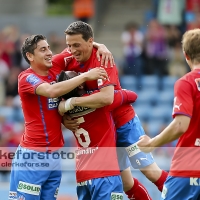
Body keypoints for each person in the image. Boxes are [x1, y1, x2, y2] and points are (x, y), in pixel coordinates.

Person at [52, 21, 168, 200]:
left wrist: (70, 104)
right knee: (127, 184)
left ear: (90, 42)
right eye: (69, 46)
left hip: (124, 123)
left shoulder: (103, 58)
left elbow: (107, 98)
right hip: (104, 130)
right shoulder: (68, 59)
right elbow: (51, 83)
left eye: (77, 45)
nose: (72, 50)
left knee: (150, 172)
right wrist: (62, 116)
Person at [8, 34, 111, 200]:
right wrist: (85, 76)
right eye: (43, 49)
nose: (49, 52)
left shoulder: (55, 64)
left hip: (55, 155)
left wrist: (102, 46)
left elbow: (80, 46)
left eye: (48, 47)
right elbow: (51, 91)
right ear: (30, 56)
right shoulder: (26, 78)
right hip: (33, 156)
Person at [137, 28, 200, 200]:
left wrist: (151, 144)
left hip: (189, 169)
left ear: (186, 55)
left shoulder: (187, 83)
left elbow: (181, 125)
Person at [57, 70, 139, 200]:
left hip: (82, 175)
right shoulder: (101, 101)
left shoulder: (64, 110)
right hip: (106, 173)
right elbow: (133, 96)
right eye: (78, 75)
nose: (82, 74)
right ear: (80, 85)